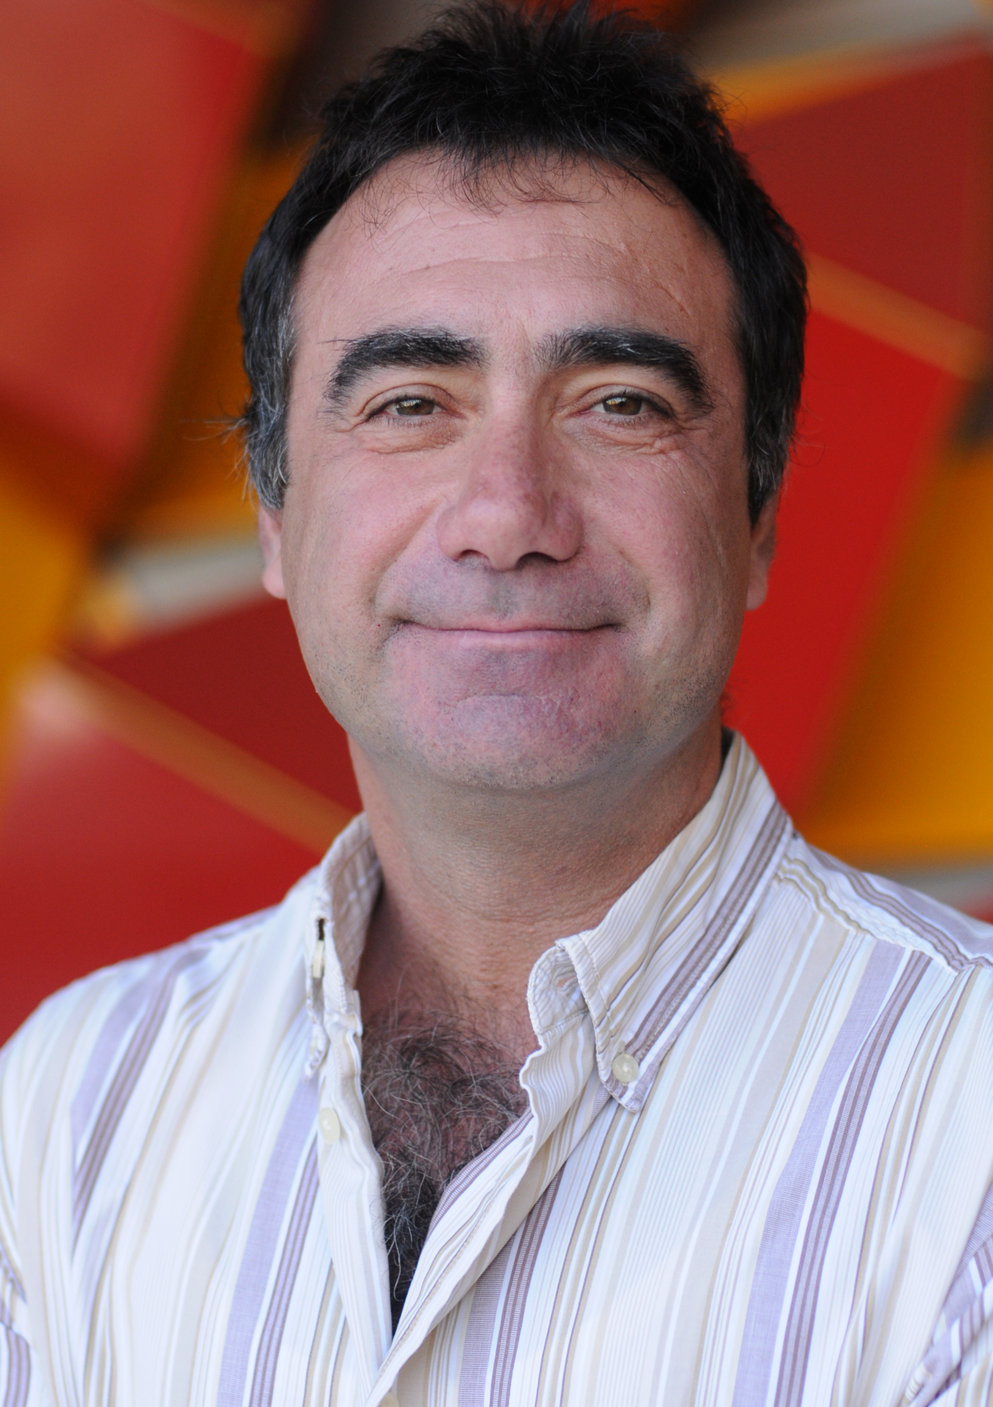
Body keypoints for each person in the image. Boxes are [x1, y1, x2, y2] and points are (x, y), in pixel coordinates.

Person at [3, 3, 993, 1403]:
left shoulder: (967, 1121)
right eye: (410, 403)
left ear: (760, 511)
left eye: (620, 403)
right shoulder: (74, 1105)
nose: (509, 515)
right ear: (276, 512)